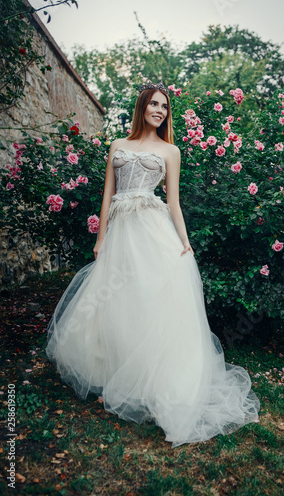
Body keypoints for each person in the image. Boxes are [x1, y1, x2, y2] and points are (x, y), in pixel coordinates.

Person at [45, 81, 260, 448]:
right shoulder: (118, 146)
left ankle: (153, 383)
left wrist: (185, 242)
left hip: (152, 231)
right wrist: (100, 239)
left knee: (149, 300)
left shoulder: (171, 151)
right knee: (117, 302)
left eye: (165, 107)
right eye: (154, 104)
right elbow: (107, 196)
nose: (160, 111)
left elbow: (173, 202)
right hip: (120, 234)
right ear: (143, 106)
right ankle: (117, 378)